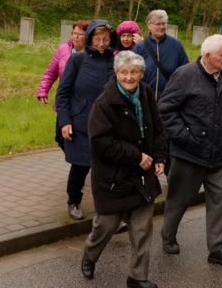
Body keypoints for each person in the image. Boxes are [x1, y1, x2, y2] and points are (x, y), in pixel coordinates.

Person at [81, 51, 167, 288]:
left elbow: (158, 129)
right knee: (105, 226)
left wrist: (159, 157)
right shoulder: (104, 103)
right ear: (117, 74)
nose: (129, 77)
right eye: (124, 72)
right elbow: (101, 144)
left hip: (142, 177)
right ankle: (90, 254)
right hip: (113, 179)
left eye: (134, 72)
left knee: (142, 230)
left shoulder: (147, 94)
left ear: (142, 73)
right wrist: (136, 156)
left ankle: (137, 277)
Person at [158, 34, 222, 268]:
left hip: (218, 155)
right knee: (179, 200)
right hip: (189, 154)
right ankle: (168, 234)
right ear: (208, 56)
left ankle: (218, 249)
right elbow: (165, 110)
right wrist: (185, 137)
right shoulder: (185, 75)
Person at [56, 19, 118, 221]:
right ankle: (74, 201)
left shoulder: (116, 62)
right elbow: (63, 93)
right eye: (97, 39)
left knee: (108, 168)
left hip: (108, 124)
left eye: (105, 39)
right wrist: (65, 121)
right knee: (81, 165)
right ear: (90, 39)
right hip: (81, 121)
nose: (101, 43)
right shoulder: (78, 60)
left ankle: (109, 211)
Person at [36, 20, 89, 150]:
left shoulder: (93, 54)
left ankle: (82, 164)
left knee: (80, 135)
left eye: (80, 34)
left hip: (83, 102)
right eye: (74, 33)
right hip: (65, 100)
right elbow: (50, 72)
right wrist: (43, 91)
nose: (75, 37)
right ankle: (81, 162)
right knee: (60, 137)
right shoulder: (63, 49)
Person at [133, 10, 189, 100]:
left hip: (170, 99)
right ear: (149, 25)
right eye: (158, 24)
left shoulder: (176, 45)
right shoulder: (140, 47)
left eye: (164, 23)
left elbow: (185, 71)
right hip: (145, 99)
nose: (162, 27)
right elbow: (132, 72)